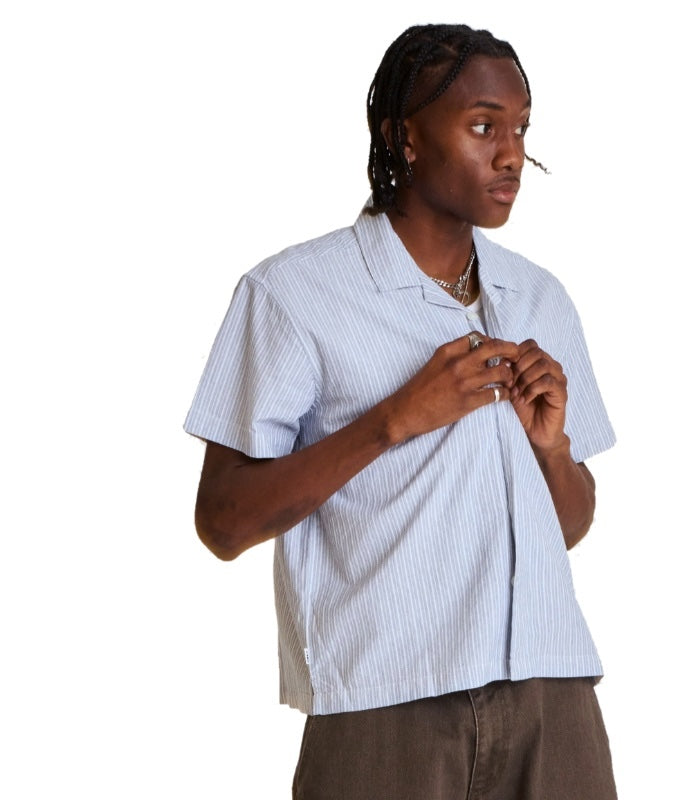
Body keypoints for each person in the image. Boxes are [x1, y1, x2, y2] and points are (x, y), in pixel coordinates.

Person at [185, 23, 617, 800]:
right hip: (385, 700)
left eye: (521, 129)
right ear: (403, 137)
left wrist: (551, 450)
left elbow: (571, 525)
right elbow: (223, 522)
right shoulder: (293, 294)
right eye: (483, 126)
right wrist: (394, 419)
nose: (511, 154)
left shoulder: (539, 298)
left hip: (552, 696)